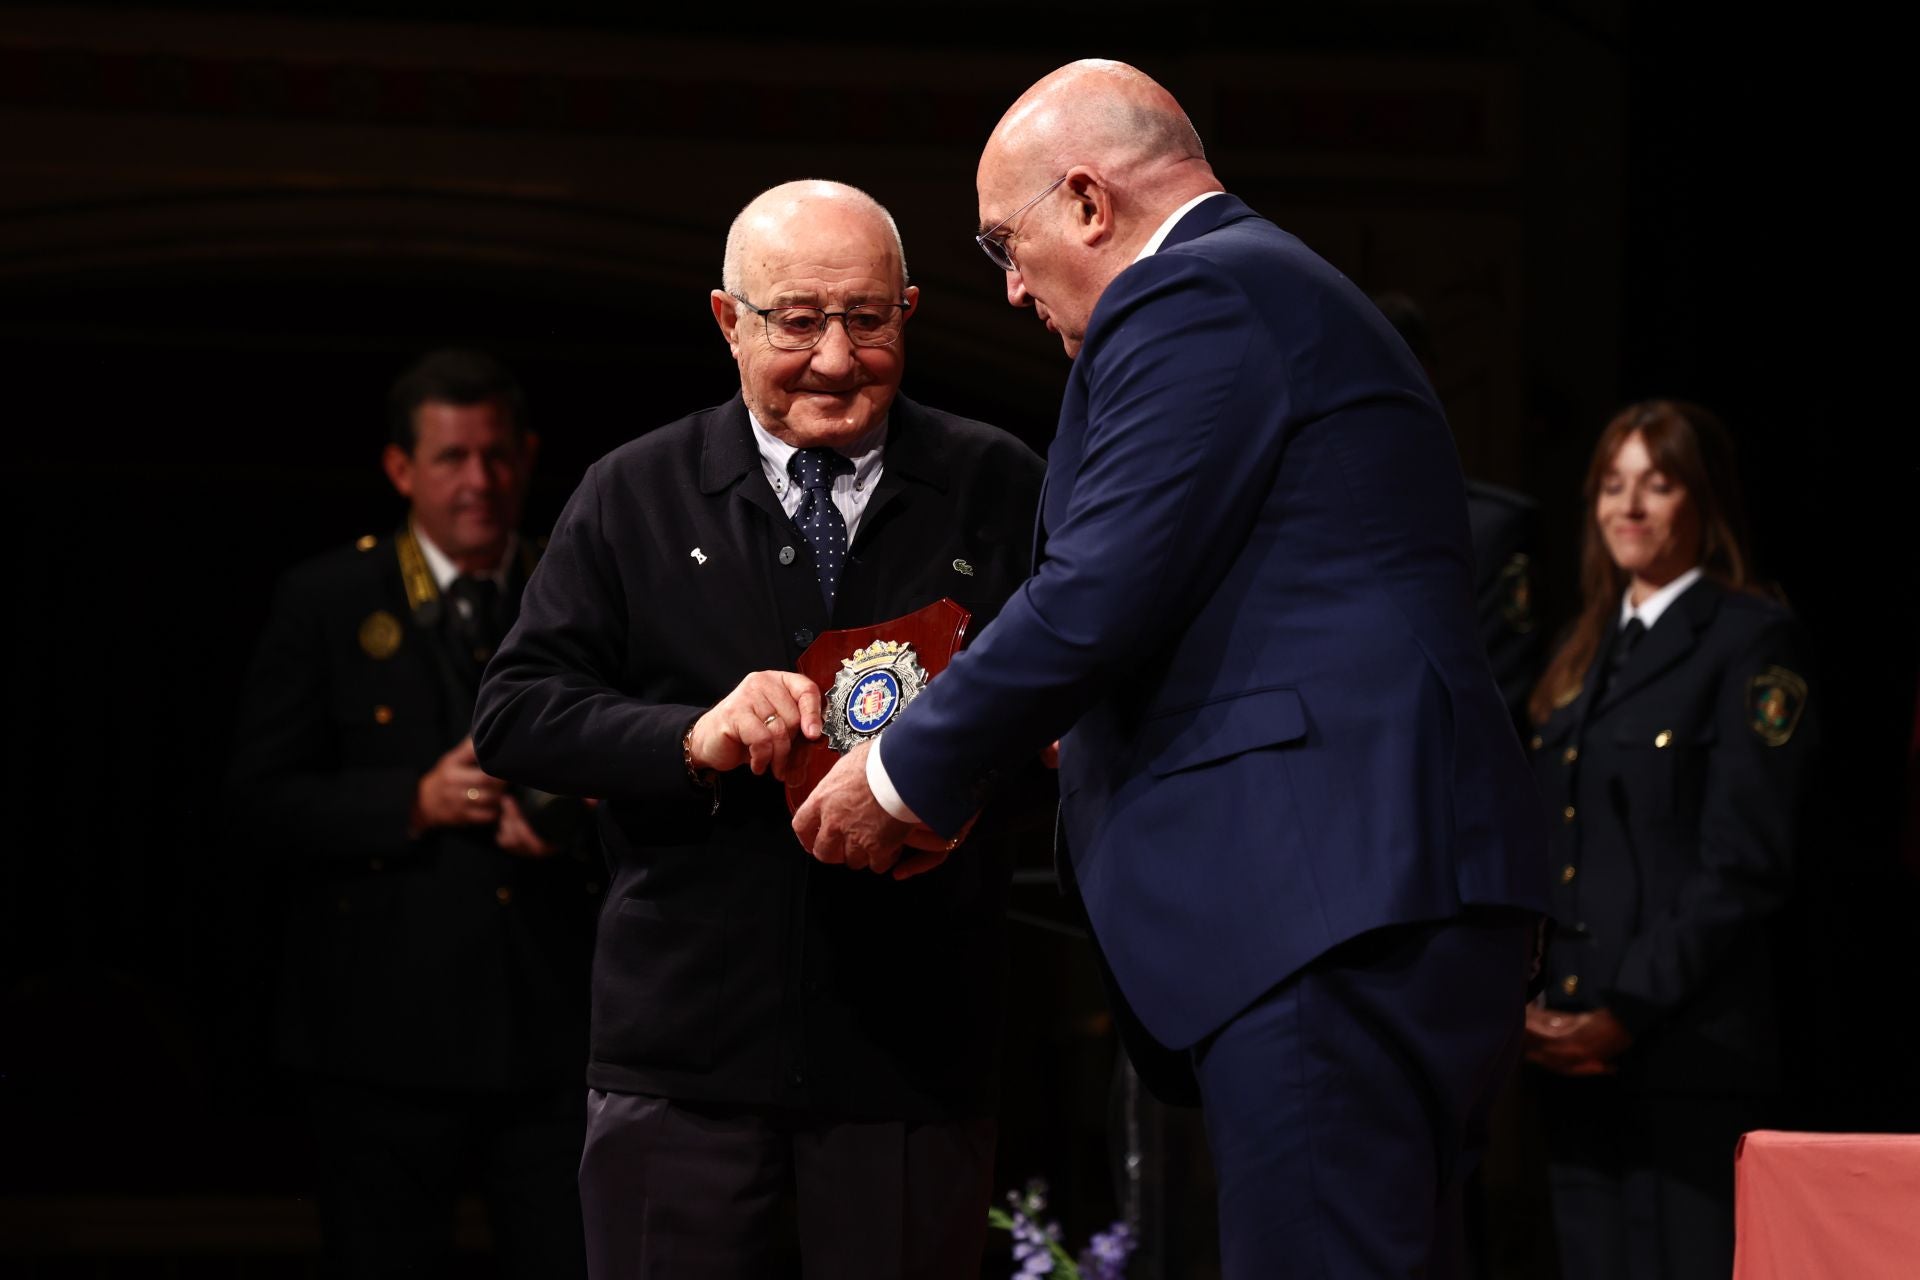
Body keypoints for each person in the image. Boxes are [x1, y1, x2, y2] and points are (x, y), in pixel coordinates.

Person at [795, 60, 1551, 1277]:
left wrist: (900, 770)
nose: (1013, 287)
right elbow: (1246, 597)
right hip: (1383, 885)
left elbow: (1100, 587)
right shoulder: (1272, 290)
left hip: (1322, 896)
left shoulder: (1194, 291)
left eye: (1007, 242)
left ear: (1089, 202)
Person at [470, 180, 1045, 1279]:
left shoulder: (997, 483)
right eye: (797, 320)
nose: (836, 357)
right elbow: (516, 711)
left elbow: (1066, 719)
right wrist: (692, 737)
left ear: (910, 312)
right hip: (679, 1058)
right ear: (729, 320)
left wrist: (952, 772)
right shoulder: (633, 490)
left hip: (914, 1057)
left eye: (868, 320)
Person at [228, 348, 596, 1276]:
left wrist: (574, 814)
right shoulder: (327, 599)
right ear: (401, 469)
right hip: (381, 1039)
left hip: (553, 1027)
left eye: (497, 455)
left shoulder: (580, 587)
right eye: (450, 458)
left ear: (527, 456)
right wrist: (413, 802)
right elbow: (258, 802)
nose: (480, 482)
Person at [1522, 399, 1815, 1278]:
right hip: (1571, 1057)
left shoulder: (1751, 639)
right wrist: (1538, 1005)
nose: (1631, 507)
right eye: (1613, 487)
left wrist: (1622, 1013)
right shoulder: (1578, 656)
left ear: (1703, 501)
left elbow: (1745, 861)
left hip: (1683, 1058)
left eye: (1658, 483)